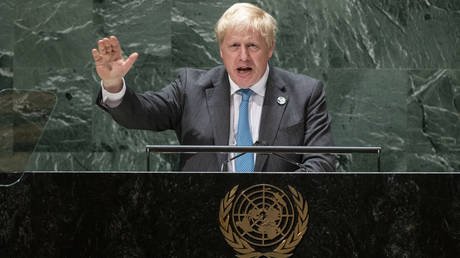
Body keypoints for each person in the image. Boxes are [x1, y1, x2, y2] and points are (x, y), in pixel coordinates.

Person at [92, 3, 336, 172]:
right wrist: (113, 83)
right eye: (234, 46)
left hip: (274, 221)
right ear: (221, 51)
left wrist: (276, 197)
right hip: (201, 220)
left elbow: (322, 161)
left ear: (270, 48)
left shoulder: (305, 93)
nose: (243, 56)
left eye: (252, 46)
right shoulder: (191, 88)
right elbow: (142, 113)